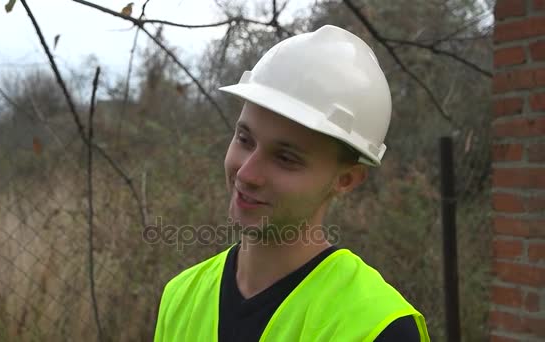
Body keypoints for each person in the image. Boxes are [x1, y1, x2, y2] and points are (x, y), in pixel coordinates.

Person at [154, 25, 430, 341]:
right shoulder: (180, 298)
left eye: (285, 158)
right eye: (244, 139)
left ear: (345, 179)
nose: (246, 173)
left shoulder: (378, 328)